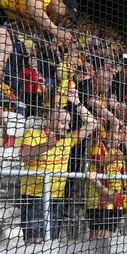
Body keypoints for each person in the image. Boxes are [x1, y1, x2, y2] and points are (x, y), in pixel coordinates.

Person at [19, 89, 97, 244]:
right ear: (49, 120)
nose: (67, 127)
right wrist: (46, 145)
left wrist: (77, 102)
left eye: (68, 123)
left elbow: (92, 123)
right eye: (63, 122)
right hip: (34, 198)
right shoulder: (32, 133)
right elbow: (23, 154)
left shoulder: (67, 139)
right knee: (35, 243)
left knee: (52, 243)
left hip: (57, 199)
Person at [0, 0, 78, 84]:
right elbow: (32, 7)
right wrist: (56, 31)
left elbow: (19, 28)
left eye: (67, 17)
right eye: (66, 12)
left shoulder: (43, 16)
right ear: (59, 1)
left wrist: (43, 35)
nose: (64, 18)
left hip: (2, 12)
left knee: (7, 44)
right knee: (4, 39)